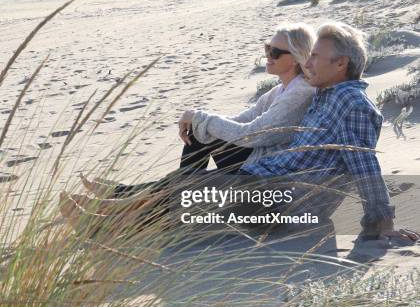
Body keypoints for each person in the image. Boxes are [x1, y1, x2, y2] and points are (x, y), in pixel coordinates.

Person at [62, 21, 419, 242]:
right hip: (266, 184)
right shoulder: (327, 96)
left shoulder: (353, 105)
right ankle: (109, 212)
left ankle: (104, 223)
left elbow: (364, 164)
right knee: (186, 185)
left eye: (315, 58)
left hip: (286, 203)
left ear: (341, 64)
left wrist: (382, 221)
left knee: (193, 193)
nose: (307, 64)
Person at [81, 23, 317, 198]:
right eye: (268, 48)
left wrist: (199, 117)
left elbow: (252, 134)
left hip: (263, 176)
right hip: (253, 159)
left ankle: (134, 195)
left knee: (202, 128)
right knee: (200, 131)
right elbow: (240, 120)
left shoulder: (299, 93)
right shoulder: (281, 90)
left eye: (275, 52)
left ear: (296, 58)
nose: (268, 56)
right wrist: (199, 119)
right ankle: (136, 193)